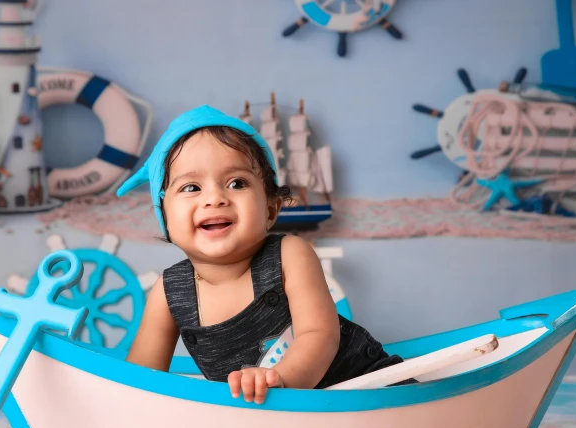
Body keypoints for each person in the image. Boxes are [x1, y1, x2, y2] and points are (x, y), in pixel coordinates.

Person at [117, 105, 411, 404]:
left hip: (366, 390)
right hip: (274, 424)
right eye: (191, 187)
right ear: (164, 216)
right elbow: (139, 380)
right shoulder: (169, 292)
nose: (215, 198)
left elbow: (319, 335)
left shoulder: (289, 255)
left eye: (237, 183)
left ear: (271, 209)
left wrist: (280, 380)